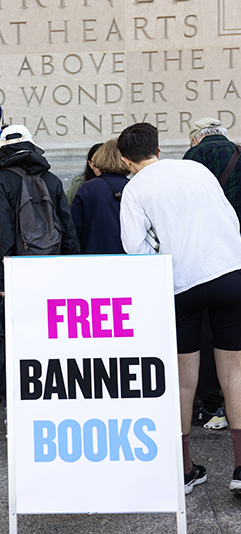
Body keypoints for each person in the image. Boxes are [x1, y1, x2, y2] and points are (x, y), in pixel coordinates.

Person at [117, 122, 241, 495]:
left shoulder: (135, 188)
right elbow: (231, 219)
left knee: (184, 380)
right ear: (157, 147)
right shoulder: (197, 169)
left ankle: (184, 470)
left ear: (125, 159)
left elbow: (133, 248)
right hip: (227, 274)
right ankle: (240, 468)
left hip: (179, 285)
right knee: (234, 373)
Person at [183, 117, 241, 431]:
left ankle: (210, 405)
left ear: (196, 139)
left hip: (206, 257)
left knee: (206, 332)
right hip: (238, 254)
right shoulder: (239, 152)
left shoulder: (196, 157)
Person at [0, 125, 80, 300]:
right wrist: (72, 270)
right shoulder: (52, 180)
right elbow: (68, 228)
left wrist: (0, 279)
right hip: (53, 268)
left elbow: (1, 231)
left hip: (18, 271)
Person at [71, 139, 129, 254]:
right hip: (129, 257)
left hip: (94, 256)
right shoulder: (133, 187)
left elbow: (74, 228)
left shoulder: (87, 188)